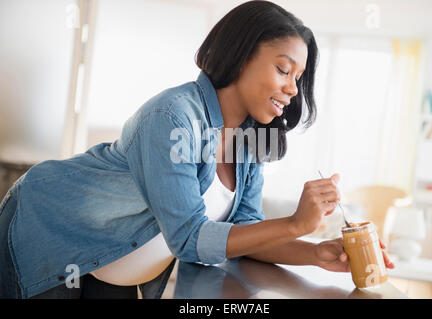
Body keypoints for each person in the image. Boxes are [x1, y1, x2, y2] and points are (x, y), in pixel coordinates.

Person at [0, 0, 394, 299]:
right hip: (50, 228)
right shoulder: (172, 117)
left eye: (299, 77)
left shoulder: (249, 139)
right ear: (241, 57)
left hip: (111, 266)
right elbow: (189, 238)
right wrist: (295, 223)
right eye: (283, 69)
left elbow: (244, 234)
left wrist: (315, 252)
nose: (293, 89)